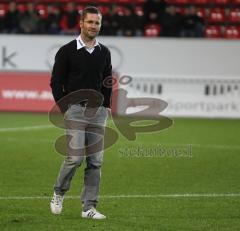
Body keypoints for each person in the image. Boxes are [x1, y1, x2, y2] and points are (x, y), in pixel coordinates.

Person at [50, 6, 112, 219]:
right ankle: (59, 192)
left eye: (97, 22)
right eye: (90, 22)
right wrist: (65, 107)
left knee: (95, 161)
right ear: (81, 23)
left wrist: (106, 106)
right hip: (75, 111)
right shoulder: (66, 51)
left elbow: (107, 81)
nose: (94, 26)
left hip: (98, 112)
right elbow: (56, 82)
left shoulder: (104, 52)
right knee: (75, 158)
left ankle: (89, 208)